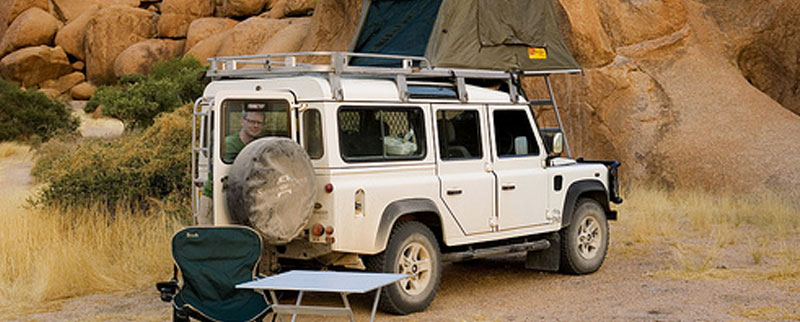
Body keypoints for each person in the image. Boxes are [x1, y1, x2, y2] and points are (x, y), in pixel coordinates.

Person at [196, 111, 265, 225]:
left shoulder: (257, 146)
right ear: (242, 122)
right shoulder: (227, 144)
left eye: (259, 123)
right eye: (252, 121)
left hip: (238, 200)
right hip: (214, 197)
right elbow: (217, 171)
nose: (255, 125)